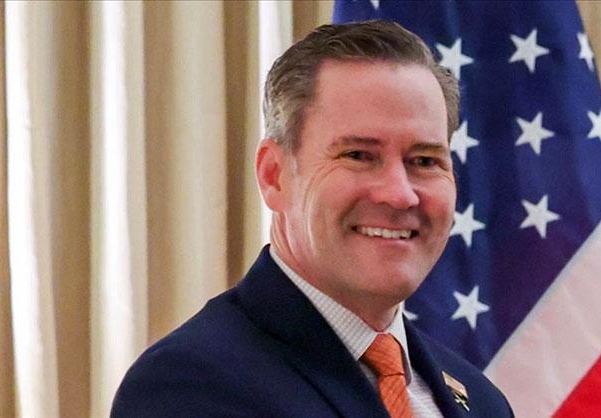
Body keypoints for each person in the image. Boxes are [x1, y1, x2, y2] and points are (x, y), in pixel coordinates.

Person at [112, 20, 514, 418]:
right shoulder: (189, 385)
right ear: (274, 175)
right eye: (358, 156)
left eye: (424, 161)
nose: (399, 194)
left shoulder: (482, 402)